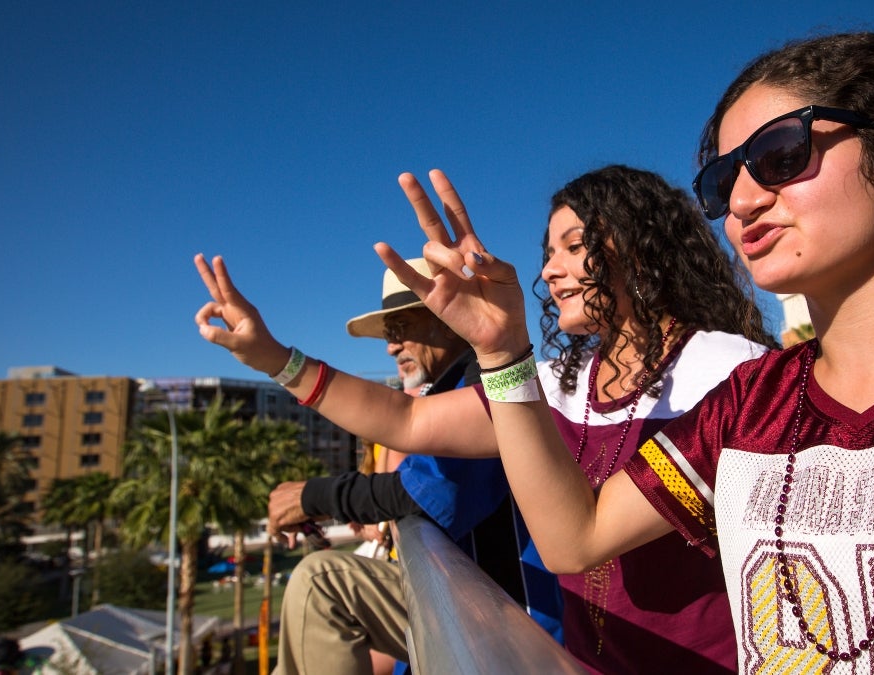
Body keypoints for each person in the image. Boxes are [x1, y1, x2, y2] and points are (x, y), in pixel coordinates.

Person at [383, 32, 874, 673]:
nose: (740, 201)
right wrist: (504, 348)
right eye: (721, 180)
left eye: (779, 153)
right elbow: (575, 538)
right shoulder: (749, 406)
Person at [194, 165, 776, 673]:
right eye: (548, 253)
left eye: (575, 247)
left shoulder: (731, 372)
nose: (549, 272)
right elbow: (405, 421)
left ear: (644, 246)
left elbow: (576, 548)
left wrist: (502, 354)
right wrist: (274, 358)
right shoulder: (558, 382)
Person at [199, 258, 548, 675]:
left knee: (321, 583)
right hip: (466, 613)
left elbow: (428, 492)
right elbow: (403, 434)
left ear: (445, 318)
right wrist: (271, 358)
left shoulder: (488, 382)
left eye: (399, 329)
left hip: (510, 632)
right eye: (387, 334)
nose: (390, 347)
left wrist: (314, 497)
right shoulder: (442, 390)